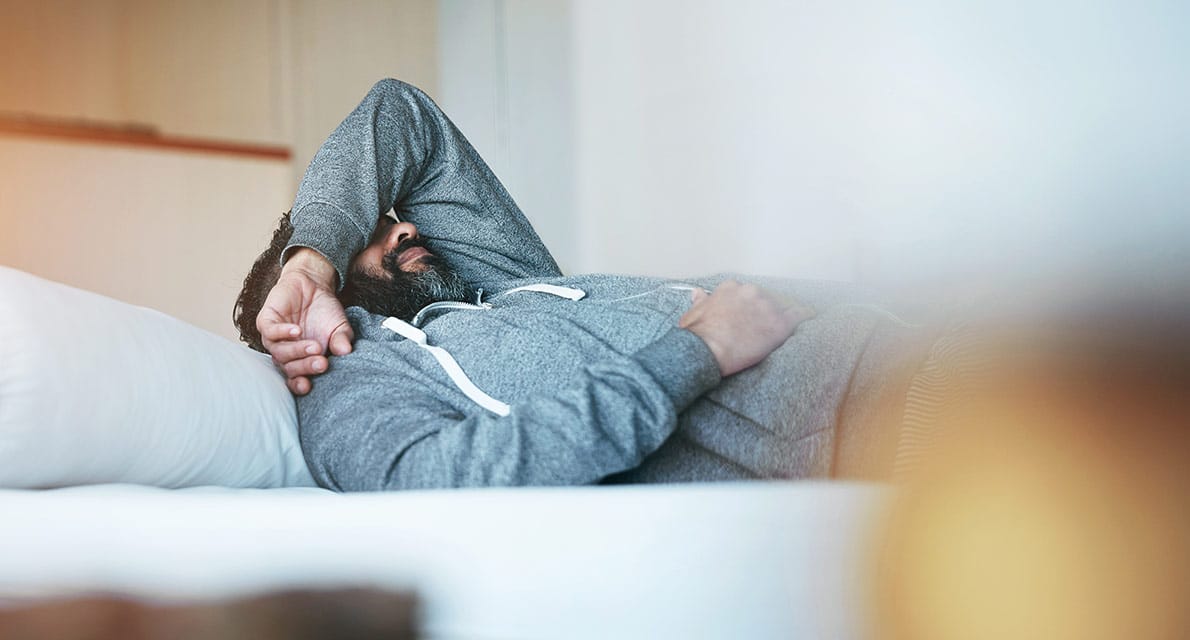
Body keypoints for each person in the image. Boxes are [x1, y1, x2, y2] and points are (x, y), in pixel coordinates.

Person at [233, 79, 930, 491]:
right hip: (887, 416)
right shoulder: (356, 388)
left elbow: (399, 112)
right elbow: (455, 478)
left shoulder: (497, 292)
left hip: (914, 335)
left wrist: (313, 258)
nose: (405, 231)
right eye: (370, 238)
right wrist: (703, 347)